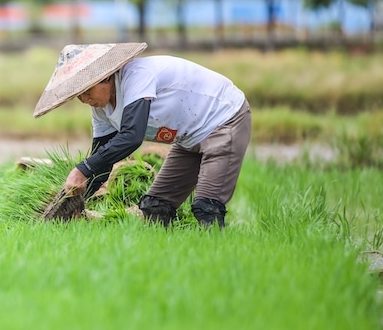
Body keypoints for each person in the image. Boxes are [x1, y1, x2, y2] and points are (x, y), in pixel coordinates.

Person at [33, 43, 252, 228]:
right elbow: (103, 158)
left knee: (207, 208)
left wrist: (81, 170)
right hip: (188, 140)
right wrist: (75, 197)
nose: (85, 100)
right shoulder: (101, 109)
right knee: (156, 208)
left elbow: (131, 137)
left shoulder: (136, 76)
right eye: (78, 96)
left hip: (224, 119)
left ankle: (213, 263)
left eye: (87, 92)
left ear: (105, 77)